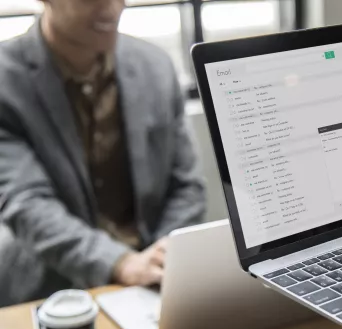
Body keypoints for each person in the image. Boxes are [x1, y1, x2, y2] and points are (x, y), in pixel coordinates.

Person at [0, 0, 206, 307]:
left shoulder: (155, 66)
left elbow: (187, 186)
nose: (111, 8)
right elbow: (26, 202)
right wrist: (120, 263)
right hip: (50, 289)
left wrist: (162, 258)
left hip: (154, 279)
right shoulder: (6, 79)